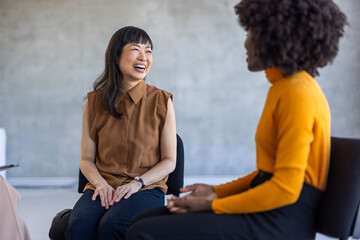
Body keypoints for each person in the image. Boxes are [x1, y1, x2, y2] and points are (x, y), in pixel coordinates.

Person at [125, 0, 347, 239]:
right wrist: (216, 191)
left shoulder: (297, 93)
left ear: (275, 37)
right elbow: (268, 174)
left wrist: (211, 205)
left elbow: (285, 189)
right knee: (142, 219)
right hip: (272, 208)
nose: (246, 42)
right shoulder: (285, 87)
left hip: (281, 221)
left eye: (251, 32)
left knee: (143, 232)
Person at [65, 26, 177, 240]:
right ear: (116, 56)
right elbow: (86, 160)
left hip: (146, 187)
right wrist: (100, 183)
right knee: (79, 226)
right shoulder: (94, 102)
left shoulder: (162, 101)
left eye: (149, 51)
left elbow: (169, 161)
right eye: (135, 49)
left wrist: (138, 183)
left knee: (113, 225)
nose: (144, 57)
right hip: (103, 184)